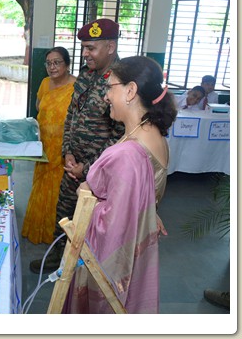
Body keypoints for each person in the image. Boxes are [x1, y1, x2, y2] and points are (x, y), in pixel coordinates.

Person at [62, 55, 177, 314]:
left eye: (109, 87)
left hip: (112, 261)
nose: (105, 96)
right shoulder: (152, 135)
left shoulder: (128, 153)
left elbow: (113, 226)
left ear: (130, 90)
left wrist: (87, 195)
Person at [30, 18, 125, 273]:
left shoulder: (121, 81)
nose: (85, 53)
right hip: (72, 166)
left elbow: (120, 137)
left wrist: (88, 167)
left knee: (90, 225)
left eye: (92, 48)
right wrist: (68, 152)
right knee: (63, 216)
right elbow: (72, 115)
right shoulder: (85, 75)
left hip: (98, 173)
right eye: (84, 47)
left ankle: (80, 272)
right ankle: (56, 259)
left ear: (110, 47)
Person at [21, 47, 76, 244]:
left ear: (67, 65)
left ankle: (56, 237)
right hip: (43, 145)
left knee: (58, 190)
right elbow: (39, 106)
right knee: (40, 185)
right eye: (49, 63)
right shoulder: (45, 83)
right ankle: (39, 229)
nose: (52, 67)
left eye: (57, 62)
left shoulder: (76, 87)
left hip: (64, 148)